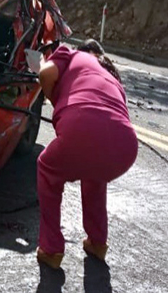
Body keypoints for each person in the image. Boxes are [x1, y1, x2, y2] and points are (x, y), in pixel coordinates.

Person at [28, 40, 138, 269]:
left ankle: (51, 249)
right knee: (95, 174)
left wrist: (54, 99)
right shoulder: (112, 78)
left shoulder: (70, 53)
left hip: (82, 127)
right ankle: (97, 242)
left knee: (47, 168)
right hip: (126, 145)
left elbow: (46, 73)